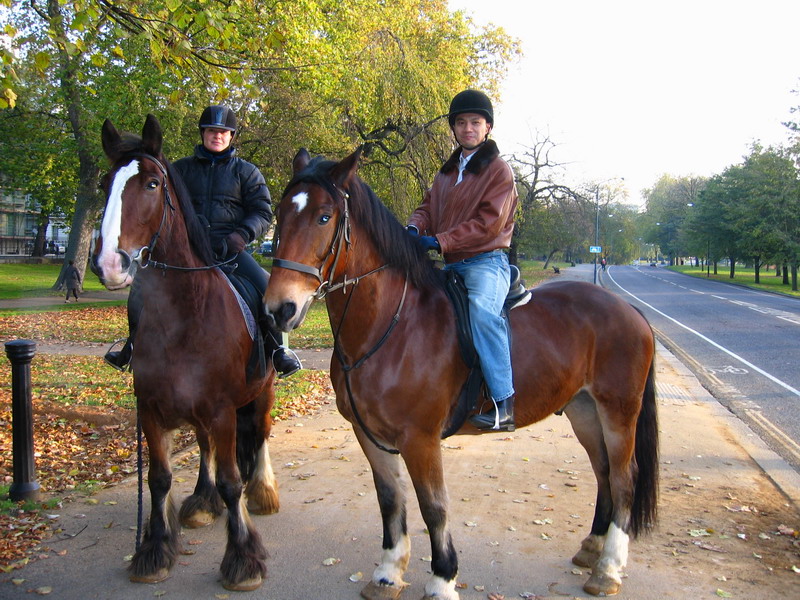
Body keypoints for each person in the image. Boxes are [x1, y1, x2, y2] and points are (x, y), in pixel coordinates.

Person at [104, 105, 301, 378]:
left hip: (229, 249)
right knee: (140, 288)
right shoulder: (180, 169)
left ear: (231, 136)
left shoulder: (247, 172)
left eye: (222, 132)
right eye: (211, 131)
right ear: (203, 134)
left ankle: (278, 351)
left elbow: (262, 212)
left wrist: (241, 235)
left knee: (264, 287)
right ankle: (132, 346)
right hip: (187, 249)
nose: (216, 136)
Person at [407, 89, 518, 431]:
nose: (468, 128)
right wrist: (414, 227)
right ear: (453, 129)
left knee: (484, 315)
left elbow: (488, 224)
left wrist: (439, 240)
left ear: (488, 128)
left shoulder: (499, 171)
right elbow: (428, 207)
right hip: (451, 263)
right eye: (461, 123)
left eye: (475, 122)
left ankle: (504, 404)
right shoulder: (446, 173)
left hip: (485, 262)